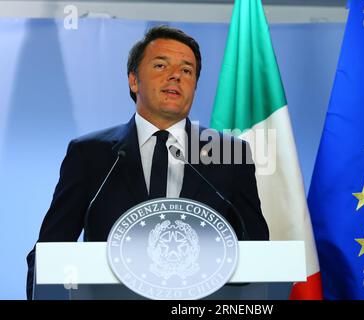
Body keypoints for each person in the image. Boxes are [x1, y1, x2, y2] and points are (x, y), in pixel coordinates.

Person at [26, 25, 269, 299]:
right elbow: (49, 251)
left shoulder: (229, 155)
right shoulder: (90, 154)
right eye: (161, 65)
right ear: (133, 81)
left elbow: (258, 250)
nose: (176, 75)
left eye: (187, 71)